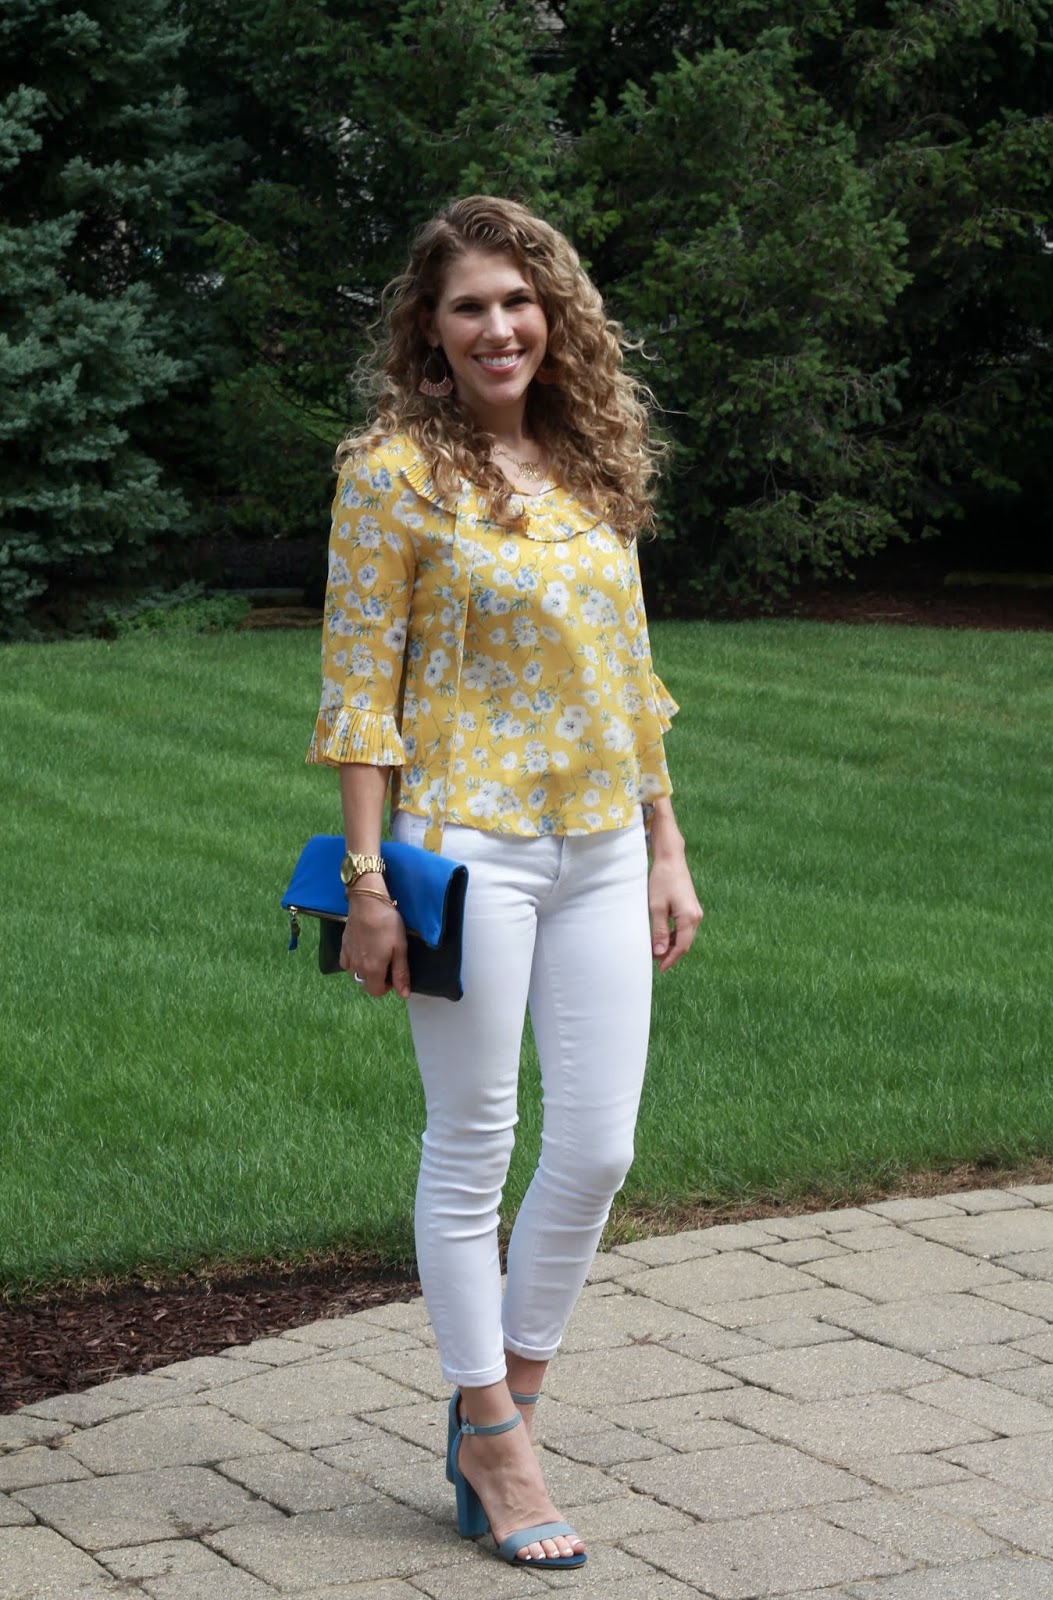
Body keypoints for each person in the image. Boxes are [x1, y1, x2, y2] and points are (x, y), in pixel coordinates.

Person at [307, 195, 702, 1569]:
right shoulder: (389, 472)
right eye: (469, 305)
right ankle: (491, 1429)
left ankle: (504, 1409)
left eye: (518, 302)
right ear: (429, 327)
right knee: (472, 1142)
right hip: (464, 851)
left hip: (600, 848)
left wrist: (663, 845)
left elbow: (630, 682)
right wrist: (367, 884)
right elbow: (360, 698)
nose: (498, 327)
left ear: (555, 319)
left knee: (597, 1148)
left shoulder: (590, 466)